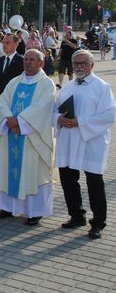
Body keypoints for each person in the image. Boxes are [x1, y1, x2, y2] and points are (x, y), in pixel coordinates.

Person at [0, 49, 56, 225]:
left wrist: (20, 122)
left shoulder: (46, 84)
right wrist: (10, 121)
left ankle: (35, 211)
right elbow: (3, 101)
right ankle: (8, 207)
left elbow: (43, 107)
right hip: (11, 134)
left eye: (32, 60)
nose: (27, 62)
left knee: (32, 173)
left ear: (41, 63)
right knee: (7, 169)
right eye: (25, 59)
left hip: (32, 137)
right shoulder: (14, 82)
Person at [54, 50, 116, 239]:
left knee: (94, 182)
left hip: (90, 140)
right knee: (68, 178)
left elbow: (109, 115)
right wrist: (58, 118)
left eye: (83, 63)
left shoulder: (102, 87)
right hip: (69, 140)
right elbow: (55, 108)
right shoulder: (67, 86)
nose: (79, 67)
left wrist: (79, 122)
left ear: (92, 65)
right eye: (76, 64)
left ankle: (98, 223)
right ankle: (77, 215)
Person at [0, 34, 23, 123]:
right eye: (3, 42)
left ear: (16, 44)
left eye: (7, 43)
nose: (4, 45)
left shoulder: (22, 62)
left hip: (13, 107)